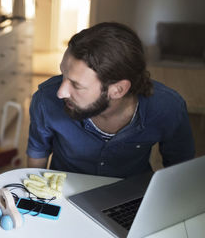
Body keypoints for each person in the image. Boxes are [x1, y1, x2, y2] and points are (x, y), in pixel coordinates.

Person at [27, 22, 195, 177]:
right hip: (64, 194)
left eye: (76, 85)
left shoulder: (167, 107)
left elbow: (181, 172)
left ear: (118, 90)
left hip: (130, 196)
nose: (61, 92)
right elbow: (36, 158)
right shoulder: (45, 100)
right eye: (63, 74)